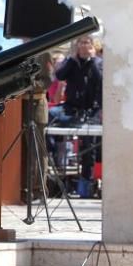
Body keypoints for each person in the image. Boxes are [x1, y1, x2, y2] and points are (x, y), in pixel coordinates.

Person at [49, 34, 103, 198]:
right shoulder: (71, 62)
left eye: (87, 43)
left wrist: (92, 60)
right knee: (49, 116)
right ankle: (53, 160)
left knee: (88, 146)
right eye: (81, 42)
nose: (83, 46)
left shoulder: (98, 64)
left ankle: (85, 185)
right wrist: (73, 59)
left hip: (90, 111)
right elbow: (59, 76)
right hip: (70, 109)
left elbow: (101, 83)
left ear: (92, 45)